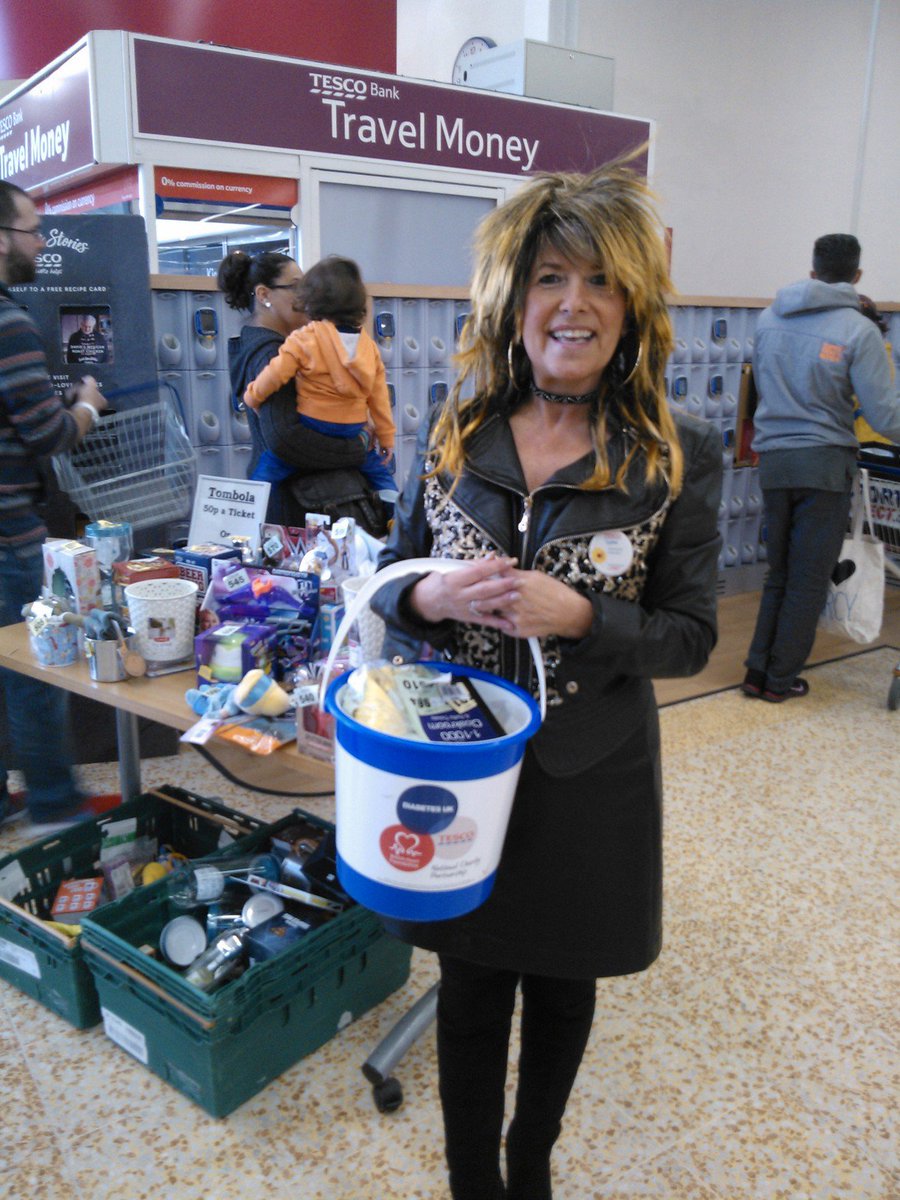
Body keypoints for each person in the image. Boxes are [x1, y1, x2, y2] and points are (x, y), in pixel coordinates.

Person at [370, 158, 722, 1200]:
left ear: (633, 307)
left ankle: (532, 1170)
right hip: (462, 767)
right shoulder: (454, 434)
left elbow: (693, 638)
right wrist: (429, 600)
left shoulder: (674, 453)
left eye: (601, 282)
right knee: (472, 988)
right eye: (550, 279)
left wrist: (586, 617)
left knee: (566, 990)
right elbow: (388, 576)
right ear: (512, 300)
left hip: (590, 775)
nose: (574, 305)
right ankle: (472, 1181)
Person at [742, 233, 900, 703]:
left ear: (812, 272)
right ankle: (778, 680)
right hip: (824, 466)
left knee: (780, 574)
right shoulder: (859, 330)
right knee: (809, 579)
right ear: (857, 276)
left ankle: (756, 669)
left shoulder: (769, 318)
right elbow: (885, 416)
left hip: (773, 461)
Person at [0, 180, 112, 832]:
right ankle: (53, 808)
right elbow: (48, 434)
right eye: (31, 229)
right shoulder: (10, 322)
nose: (42, 241)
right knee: (30, 672)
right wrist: (89, 404)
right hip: (8, 530)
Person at [217, 249, 387, 535]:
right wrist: (358, 445)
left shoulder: (289, 346)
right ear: (263, 295)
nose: (305, 295)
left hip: (305, 503)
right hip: (297, 509)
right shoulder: (271, 355)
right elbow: (286, 439)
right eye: (295, 286)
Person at [242, 254, 396, 499]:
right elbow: (379, 396)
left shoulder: (306, 338)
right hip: (353, 427)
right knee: (378, 470)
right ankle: (393, 508)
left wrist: (252, 397)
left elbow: (275, 373)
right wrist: (386, 436)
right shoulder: (368, 345)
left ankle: (251, 505)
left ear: (312, 301)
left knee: (269, 468)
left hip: (316, 422)